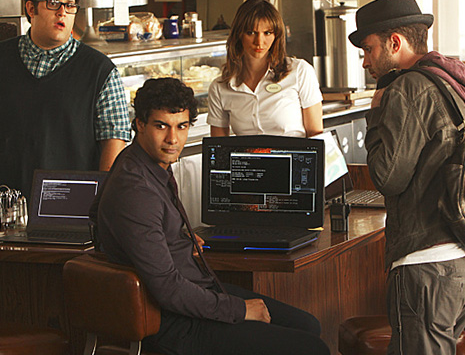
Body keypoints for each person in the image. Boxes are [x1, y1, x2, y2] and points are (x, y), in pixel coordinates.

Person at [92, 78, 329, 355]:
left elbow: (102, 217)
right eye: (161, 126)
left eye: (181, 126)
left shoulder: (141, 162)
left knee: (307, 325)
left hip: (193, 293)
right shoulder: (135, 190)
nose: (173, 139)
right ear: (140, 125)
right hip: (174, 323)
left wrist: (174, 238)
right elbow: (168, 290)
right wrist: (239, 310)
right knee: (311, 348)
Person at [348, 0, 465, 354]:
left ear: (394, 42)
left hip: (427, 265)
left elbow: (387, 177)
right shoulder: (455, 80)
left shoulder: (408, 89)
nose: (365, 61)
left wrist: (376, 113)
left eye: (368, 49)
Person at [0, 0, 131, 207]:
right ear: (31, 8)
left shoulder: (100, 71)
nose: (63, 13)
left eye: (70, 5)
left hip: (68, 206)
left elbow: (114, 141)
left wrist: (100, 203)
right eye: (53, 3)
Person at [207, 0, 323, 138]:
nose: (259, 42)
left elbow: (316, 136)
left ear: (276, 35)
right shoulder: (219, 88)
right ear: (239, 35)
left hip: (293, 152)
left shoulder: (300, 71)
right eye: (251, 33)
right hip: (246, 153)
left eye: (267, 33)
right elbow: (219, 146)